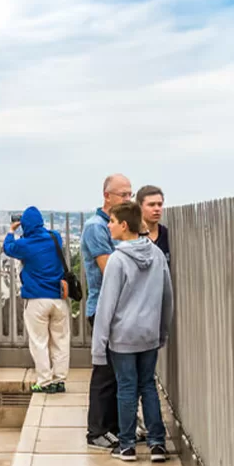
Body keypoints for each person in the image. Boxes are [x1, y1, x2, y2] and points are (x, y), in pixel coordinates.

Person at [90, 202, 173, 462]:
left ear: (124, 225)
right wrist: (162, 331)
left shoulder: (117, 260)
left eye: (112, 221)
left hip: (123, 336)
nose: (108, 225)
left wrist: (98, 347)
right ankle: (157, 443)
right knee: (148, 385)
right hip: (149, 333)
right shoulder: (157, 255)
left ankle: (126, 445)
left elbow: (106, 306)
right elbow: (167, 296)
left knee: (126, 388)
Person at [81, 173, 134, 450]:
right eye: (123, 195)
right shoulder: (96, 227)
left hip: (122, 309)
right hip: (103, 308)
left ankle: (114, 426)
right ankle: (98, 430)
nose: (128, 199)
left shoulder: (121, 227)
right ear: (107, 196)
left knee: (118, 372)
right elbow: (109, 271)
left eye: (130, 194)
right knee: (104, 371)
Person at [2, 207, 69, 393]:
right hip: (58, 298)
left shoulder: (24, 244)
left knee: (39, 341)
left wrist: (11, 231)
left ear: (25, 224)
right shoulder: (55, 236)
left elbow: (8, 248)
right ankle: (60, 380)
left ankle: (44, 381)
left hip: (36, 299)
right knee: (60, 340)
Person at [136, 186, 170, 264]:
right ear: (139, 207)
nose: (157, 209)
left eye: (160, 204)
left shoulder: (168, 235)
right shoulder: (132, 236)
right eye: (151, 205)